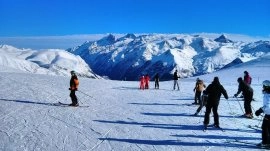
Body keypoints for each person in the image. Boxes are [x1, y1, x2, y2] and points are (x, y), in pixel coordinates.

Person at [255, 80, 270, 148]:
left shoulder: (268, 94)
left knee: (265, 127)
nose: (263, 87)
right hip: (268, 114)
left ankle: (265, 143)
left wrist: (260, 110)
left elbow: (268, 106)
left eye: (263, 86)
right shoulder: (267, 93)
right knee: (268, 128)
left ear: (266, 86)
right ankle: (267, 141)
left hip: (269, 114)